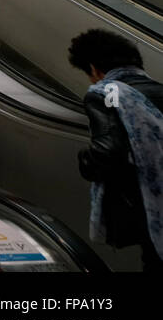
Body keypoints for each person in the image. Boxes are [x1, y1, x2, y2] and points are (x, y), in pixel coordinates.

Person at [68, 29, 163, 272]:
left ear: (94, 68)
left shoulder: (107, 92)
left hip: (148, 209)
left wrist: (85, 160)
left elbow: (107, 151)